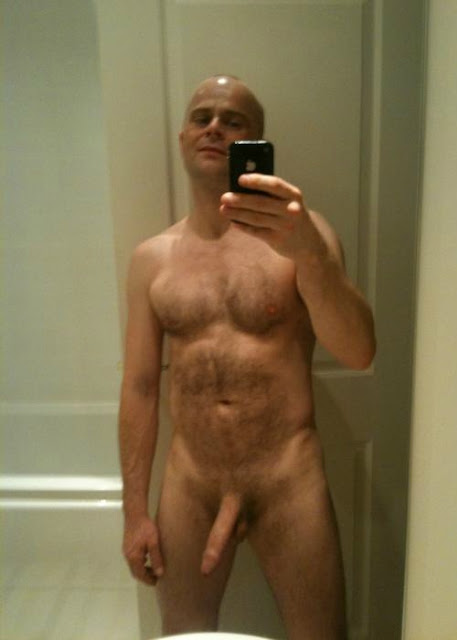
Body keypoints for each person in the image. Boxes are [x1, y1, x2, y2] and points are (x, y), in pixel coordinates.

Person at [118, 74, 376, 640]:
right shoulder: (151, 260)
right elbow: (139, 387)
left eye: (233, 121)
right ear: (183, 138)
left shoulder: (304, 236)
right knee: (184, 638)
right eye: (201, 117)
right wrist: (135, 512)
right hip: (191, 484)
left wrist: (310, 254)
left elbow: (359, 352)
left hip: (288, 479)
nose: (214, 127)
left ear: (257, 143)